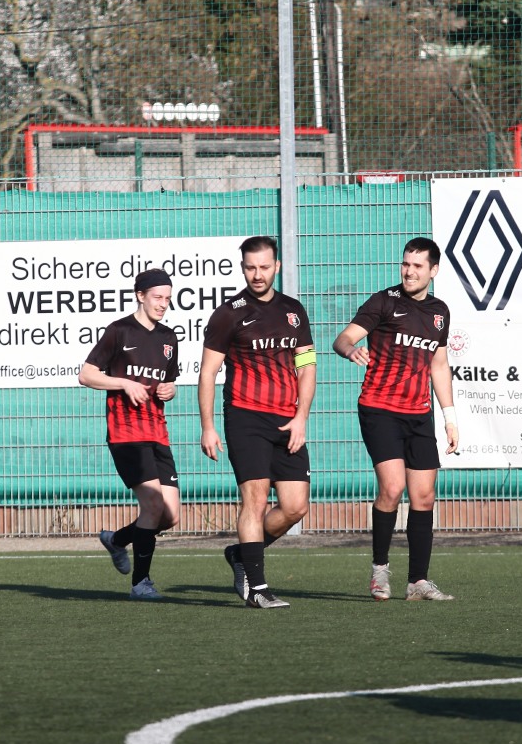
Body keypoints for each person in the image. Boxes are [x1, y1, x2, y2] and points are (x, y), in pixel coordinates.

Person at [332, 237, 459, 602]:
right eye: (406, 264)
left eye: (418, 266)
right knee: (392, 488)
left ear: (433, 271)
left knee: (424, 496)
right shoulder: (384, 302)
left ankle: (418, 581)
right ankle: (379, 570)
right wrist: (350, 350)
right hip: (380, 408)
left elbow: (438, 365)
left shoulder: (439, 312)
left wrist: (449, 418)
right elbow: (343, 339)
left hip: (419, 414)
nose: (409, 271)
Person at [199, 236, 315, 609]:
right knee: (256, 498)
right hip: (245, 417)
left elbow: (306, 366)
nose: (258, 274)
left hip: (287, 420)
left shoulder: (294, 311)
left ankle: (241, 555)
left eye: (264, 267)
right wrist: (208, 426)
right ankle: (258, 589)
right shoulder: (228, 314)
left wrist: (301, 418)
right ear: (242, 268)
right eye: (250, 267)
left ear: (276, 266)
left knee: (295, 507)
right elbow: (208, 372)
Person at [81, 268, 181, 600]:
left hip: (157, 433)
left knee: (170, 515)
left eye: (168, 298)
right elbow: (86, 375)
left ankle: (117, 540)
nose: (163, 304)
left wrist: (170, 390)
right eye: (157, 297)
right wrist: (124, 383)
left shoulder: (169, 338)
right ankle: (141, 583)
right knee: (152, 504)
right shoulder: (119, 331)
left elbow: (169, 381)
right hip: (126, 433)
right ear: (140, 295)